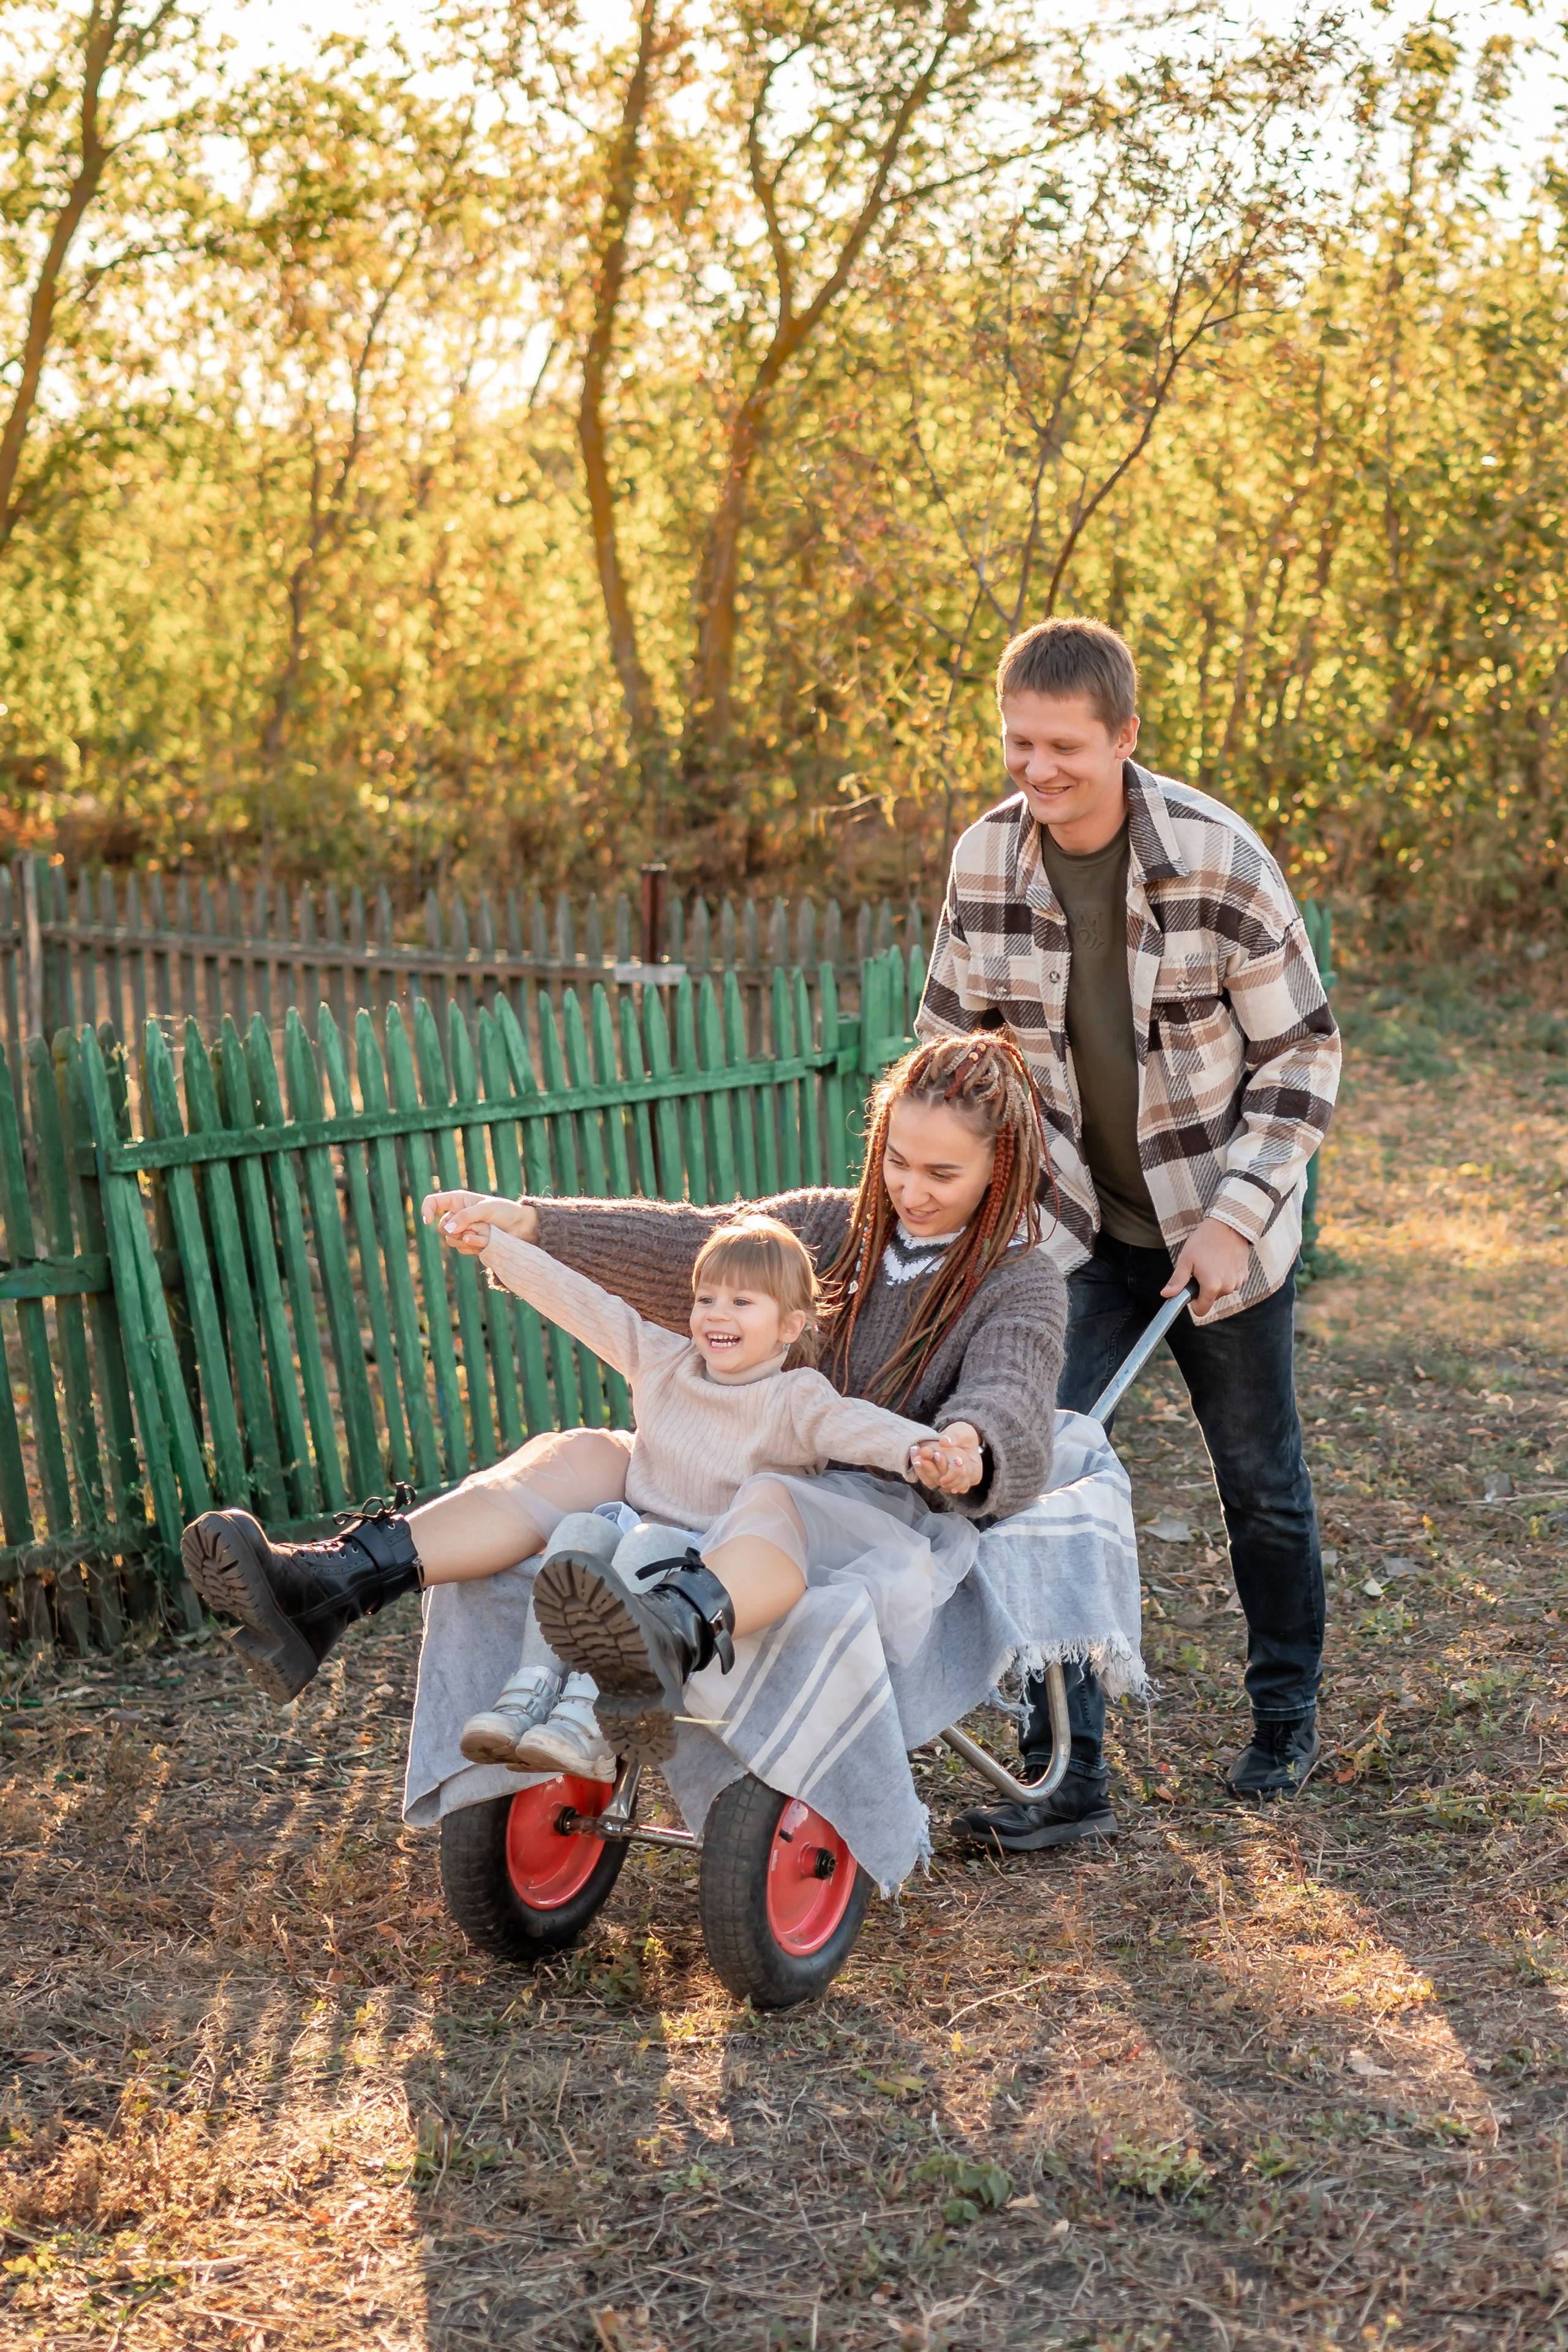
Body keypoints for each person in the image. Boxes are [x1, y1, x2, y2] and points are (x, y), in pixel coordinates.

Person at [181, 1035, 1074, 1770]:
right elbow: (693, 1242)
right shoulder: (833, 1224)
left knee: (775, 1496)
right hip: (749, 1448)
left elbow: (1013, 1390)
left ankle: (660, 1638)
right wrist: (534, 1226)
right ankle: (330, 1586)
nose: (910, 1191)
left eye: (941, 1176)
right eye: (896, 1162)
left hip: (874, 1498)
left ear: (999, 1174)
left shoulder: (1018, 1282)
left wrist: (967, 1441)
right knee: (578, 1452)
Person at [917, 614, 1341, 1845]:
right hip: (1064, 1226)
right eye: (1016, 747)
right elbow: (947, 1056)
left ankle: (1282, 1720)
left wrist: (1231, 1219)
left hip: (1219, 1217)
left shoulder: (1217, 858)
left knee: (1256, 1480)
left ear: (1123, 740)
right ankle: (1065, 1775)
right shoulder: (985, 861)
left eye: (1063, 747)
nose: (1037, 772)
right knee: (1037, 1469)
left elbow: (1301, 1059)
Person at [420, 1205, 980, 1770]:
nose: (718, 1314)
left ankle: (592, 1713)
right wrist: (495, 1245)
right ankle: (531, 1690)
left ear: (790, 1326)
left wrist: (921, 1448)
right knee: (581, 1529)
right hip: (646, 1530)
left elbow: (857, 1425)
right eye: (707, 1298)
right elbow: (583, 1304)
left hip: (720, 1566)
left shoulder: (796, 1397)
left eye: (742, 1302)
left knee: (644, 1547)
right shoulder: (664, 1361)